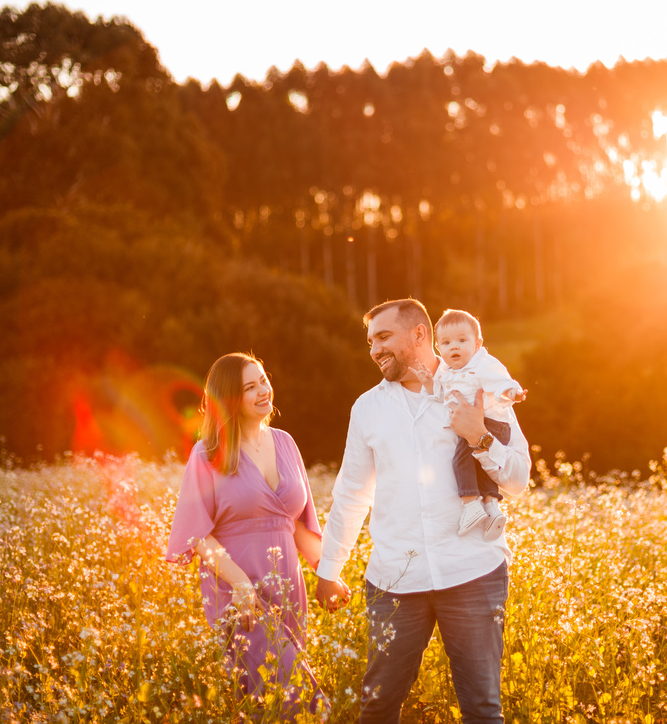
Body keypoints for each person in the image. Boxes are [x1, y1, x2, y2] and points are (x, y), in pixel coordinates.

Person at [314, 299, 532, 724]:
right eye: (370, 341)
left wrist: (480, 437)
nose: (374, 349)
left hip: (473, 571)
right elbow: (352, 493)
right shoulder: (368, 409)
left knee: (482, 710)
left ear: (419, 335)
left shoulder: (478, 390)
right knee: (378, 706)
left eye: (383, 337)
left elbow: (518, 480)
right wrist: (329, 568)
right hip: (394, 580)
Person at [166, 352, 324, 715]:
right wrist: (240, 584)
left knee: (270, 702)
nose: (263, 391)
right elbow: (197, 534)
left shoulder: (285, 442)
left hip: (288, 589)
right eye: (249, 387)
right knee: (300, 700)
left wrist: (328, 572)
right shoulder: (207, 454)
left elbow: (296, 522)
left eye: (263, 380)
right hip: (239, 592)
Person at [414, 308, 524, 540]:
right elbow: (439, 394)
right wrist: (428, 382)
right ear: (438, 348)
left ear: (477, 344)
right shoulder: (445, 372)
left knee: (461, 458)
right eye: (446, 343)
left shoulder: (482, 364)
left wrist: (511, 392)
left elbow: (501, 381)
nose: (454, 347)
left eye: (462, 340)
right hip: (477, 425)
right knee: (480, 467)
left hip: (492, 424)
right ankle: (492, 509)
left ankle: (470, 503)